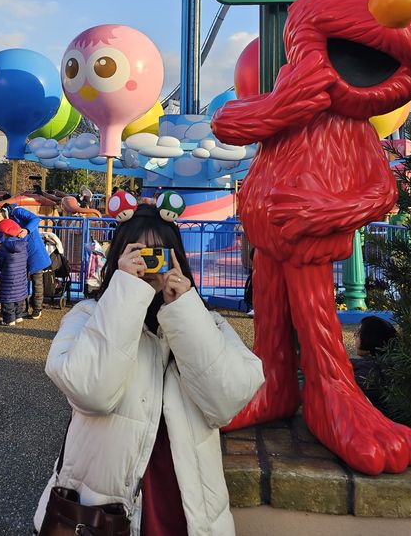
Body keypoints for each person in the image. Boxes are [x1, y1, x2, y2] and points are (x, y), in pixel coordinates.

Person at [33, 201, 264, 536]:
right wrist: (126, 291)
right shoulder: (87, 316)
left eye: (160, 253)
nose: (150, 263)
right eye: (140, 253)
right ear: (119, 258)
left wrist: (184, 311)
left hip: (184, 507)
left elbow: (225, 402)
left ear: (178, 260)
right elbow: (92, 392)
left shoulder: (205, 322)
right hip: (102, 513)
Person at [0, 205, 51, 320]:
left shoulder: (17, 212)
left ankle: (37, 309)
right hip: (20, 256)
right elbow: (3, 237)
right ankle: (22, 310)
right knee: (21, 283)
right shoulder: (3, 224)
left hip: (34, 250)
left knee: (37, 281)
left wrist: (26, 230)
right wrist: (2, 245)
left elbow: (35, 219)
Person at [350, 315, 397, 412]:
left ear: (370, 338)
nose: (355, 336)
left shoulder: (367, 370)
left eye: (358, 334)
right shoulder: (392, 361)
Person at [0, 219, 29, 327]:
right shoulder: (23, 245)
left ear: (5, 233)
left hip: (8, 276)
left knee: (8, 299)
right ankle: (18, 316)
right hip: (21, 275)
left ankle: (9, 320)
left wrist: (3, 269)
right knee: (19, 296)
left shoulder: (4, 246)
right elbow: (26, 259)